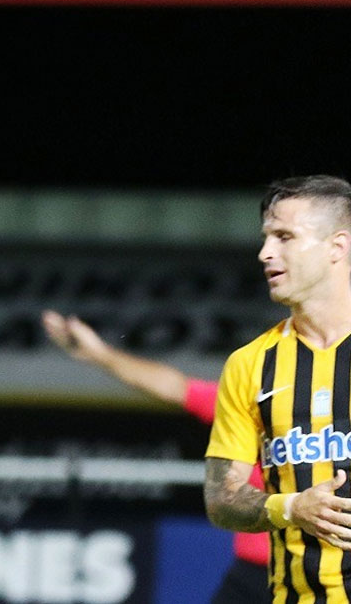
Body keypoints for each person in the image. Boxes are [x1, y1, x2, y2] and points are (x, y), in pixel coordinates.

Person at [41, 310, 270, 603]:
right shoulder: (246, 407)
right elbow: (176, 387)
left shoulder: (324, 410)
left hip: (311, 572)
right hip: (252, 573)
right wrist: (100, 354)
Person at [205, 174, 351, 601]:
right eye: (266, 238)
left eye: (285, 237)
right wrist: (291, 507)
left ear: (337, 247)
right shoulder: (249, 364)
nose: (265, 253)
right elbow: (221, 499)